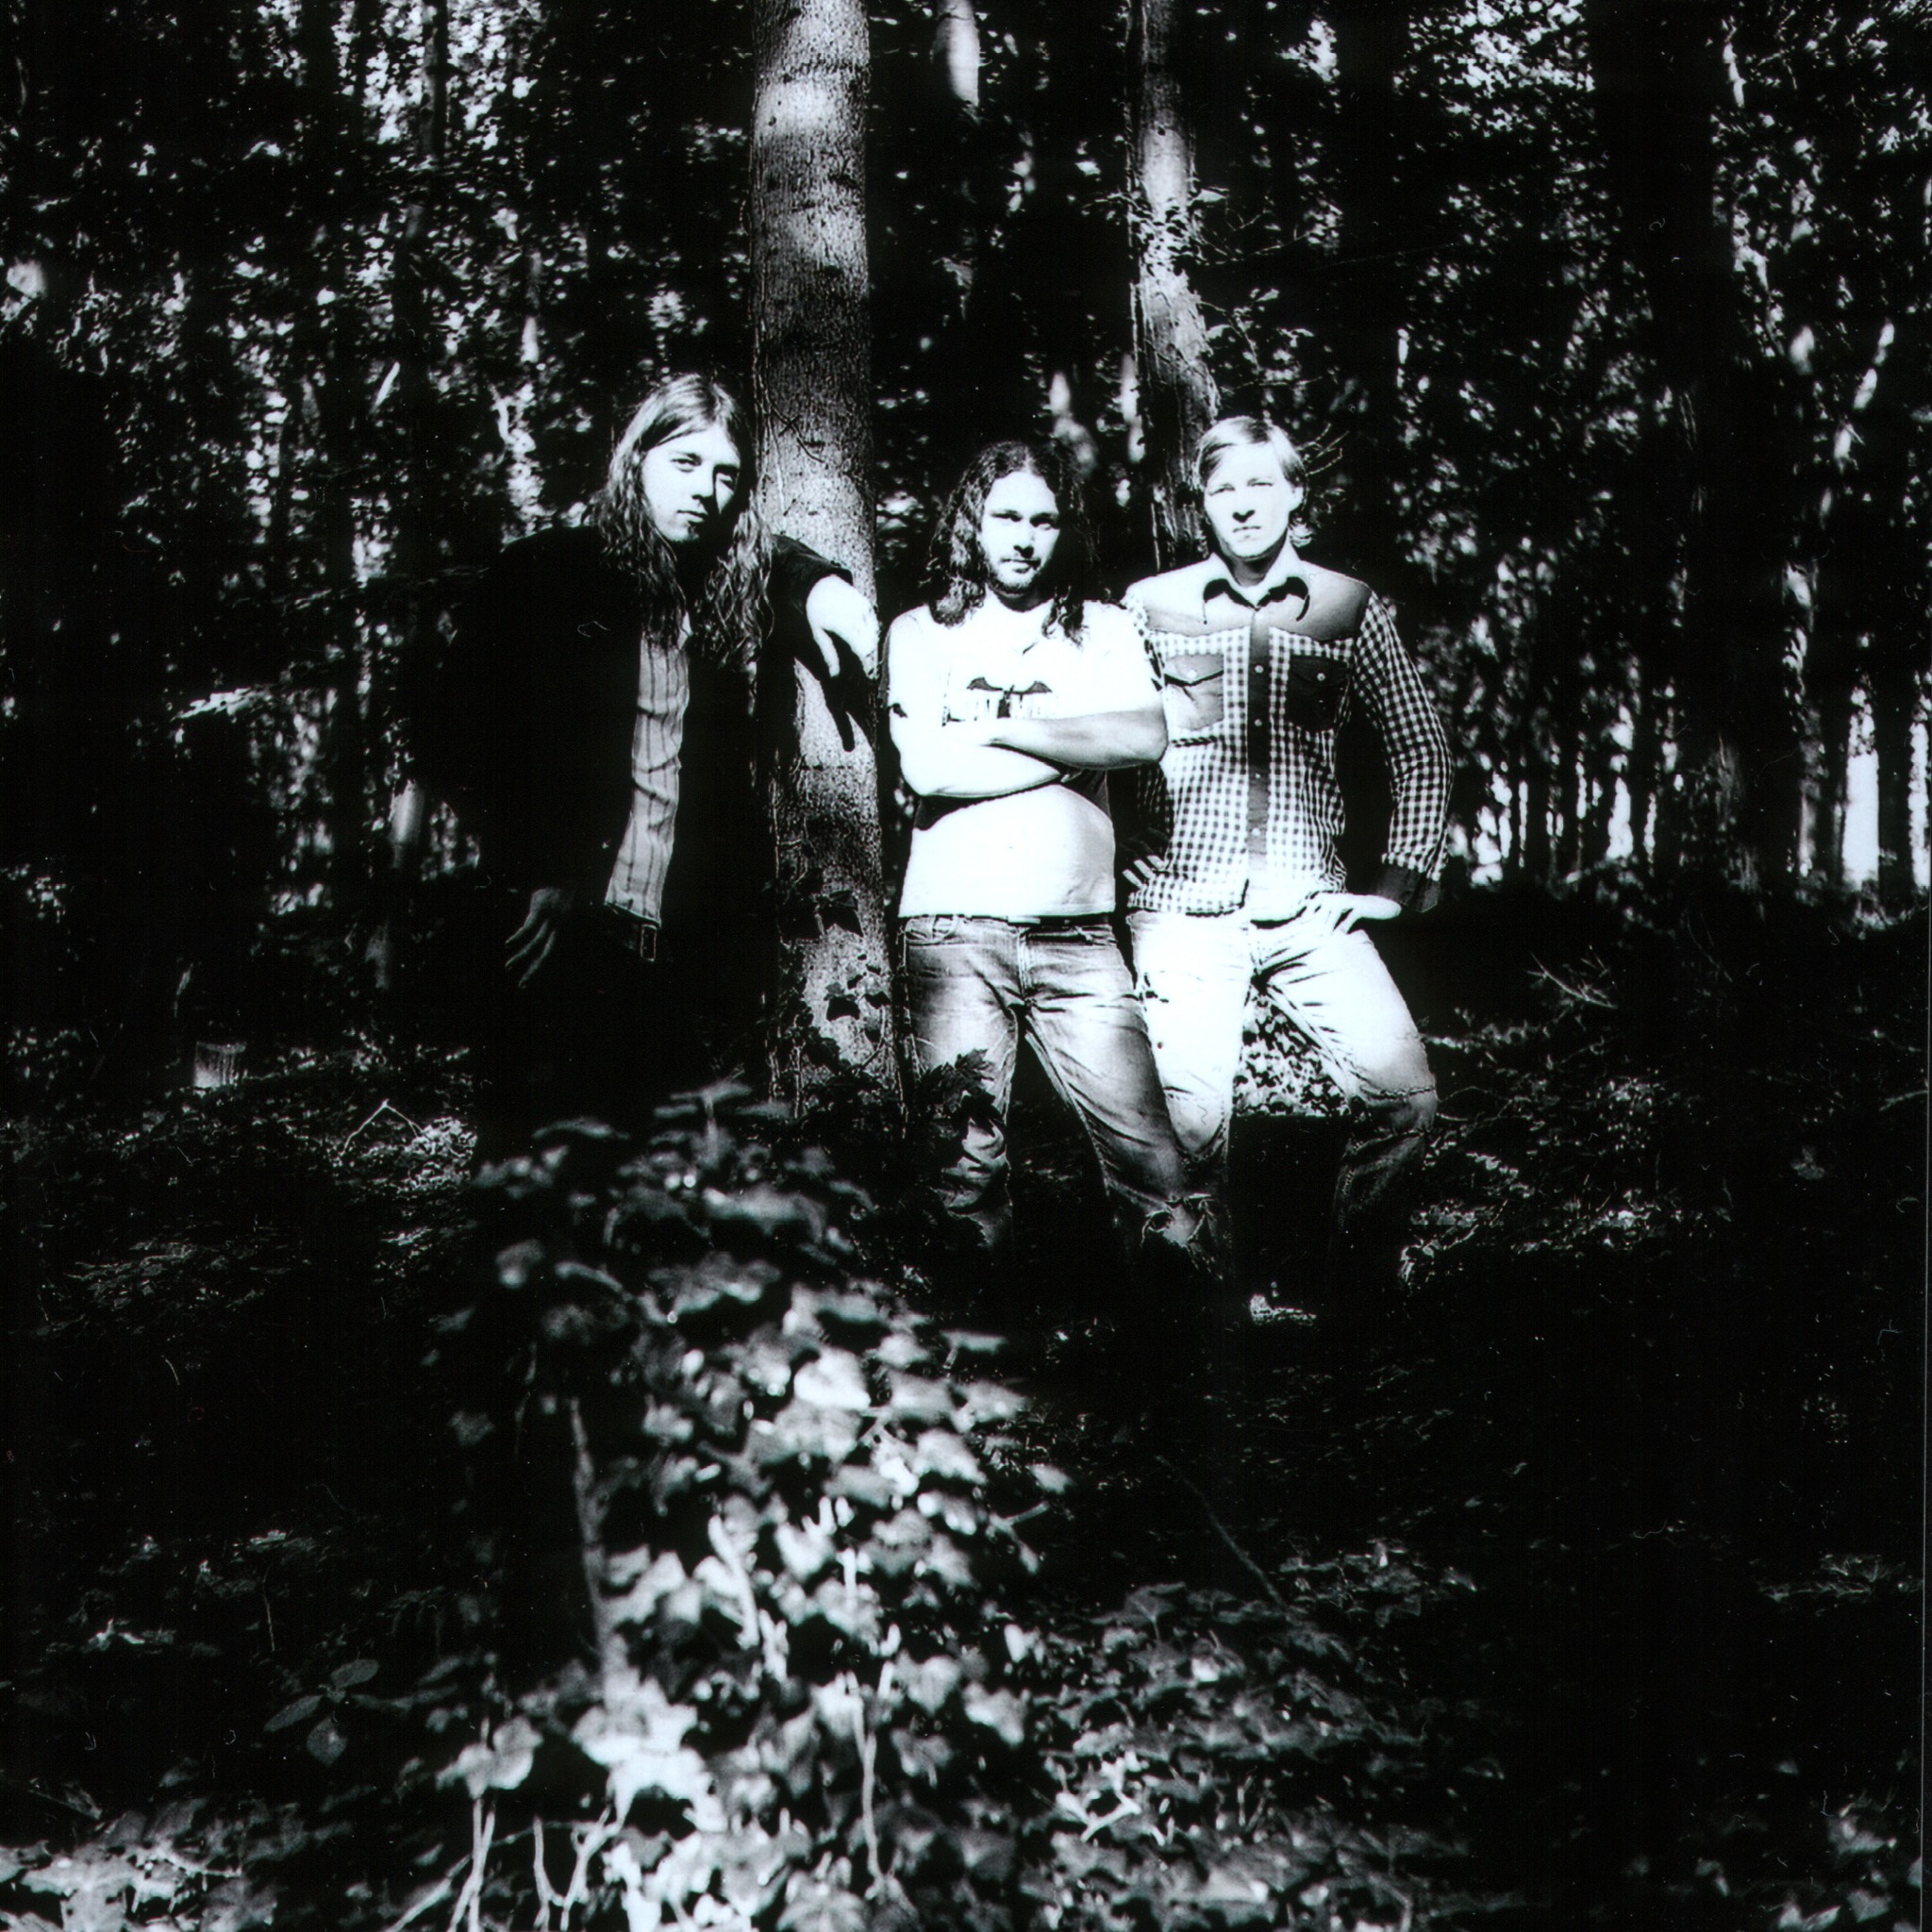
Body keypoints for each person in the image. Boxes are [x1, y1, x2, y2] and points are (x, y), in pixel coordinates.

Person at [407, 373, 876, 1145]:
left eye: (726, 474)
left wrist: (821, 585)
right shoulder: (549, 570)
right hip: (556, 933)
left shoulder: (722, 586)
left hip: (674, 952)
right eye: (684, 463)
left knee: (667, 1178)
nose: (706, 491)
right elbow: (451, 735)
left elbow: (773, 559)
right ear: (637, 461)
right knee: (540, 1168)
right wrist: (539, 866)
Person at [1121, 414, 1451, 1297]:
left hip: (1310, 909)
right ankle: (1201, 1318)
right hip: (1184, 909)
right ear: (1201, 504)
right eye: (1224, 488)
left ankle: (1356, 1302)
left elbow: (1420, 746)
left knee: (1406, 1099)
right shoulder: (1149, 605)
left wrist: (1394, 884)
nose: (1244, 505)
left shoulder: (1349, 607)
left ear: (1296, 494)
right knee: (1188, 1128)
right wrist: (1118, 855)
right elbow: (1105, 740)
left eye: (1262, 484)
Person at [887, 439, 1205, 1273]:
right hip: (953, 929)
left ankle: (1178, 1338)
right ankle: (969, 1344)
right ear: (972, 523)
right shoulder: (921, 631)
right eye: (1006, 517)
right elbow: (928, 770)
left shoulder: (1103, 629)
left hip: (1079, 932)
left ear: (1065, 530)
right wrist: (1071, 748)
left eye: (1044, 520)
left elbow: (1143, 735)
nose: (1024, 538)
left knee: (1151, 1163)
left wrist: (991, 730)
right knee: (963, 1167)